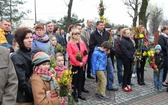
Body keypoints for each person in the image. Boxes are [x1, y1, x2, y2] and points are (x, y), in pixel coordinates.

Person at [89, 21, 118, 91]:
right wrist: (99, 49)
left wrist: (109, 49)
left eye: (103, 25)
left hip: (107, 56)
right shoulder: (93, 34)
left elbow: (109, 43)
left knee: (110, 70)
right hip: (99, 57)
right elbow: (91, 45)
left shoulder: (106, 33)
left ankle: (110, 85)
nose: (103, 26)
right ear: (97, 26)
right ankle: (100, 87)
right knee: (100, 71)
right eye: (101, 25)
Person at [11, 27, 34, 105]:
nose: (30, 40)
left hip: (34, 92)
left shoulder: (32, 53)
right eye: (26, 38)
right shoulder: (16, 56)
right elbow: (22, 81)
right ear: (20, 40)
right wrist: (35, 94)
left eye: (31, 37)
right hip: (24, 97)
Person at [67, 28, 88, 102]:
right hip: (74, 65)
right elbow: (70, 55)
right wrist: (78, 63)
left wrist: (83, 62)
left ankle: (79, 93)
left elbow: (85, 53)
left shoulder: (82, 42)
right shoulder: (70, 43)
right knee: (74, 80)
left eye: (78, 34)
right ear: (72, 35)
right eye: (76, 34)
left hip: (82, 64)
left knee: (80, 79)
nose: (77, 35)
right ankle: (74, 94)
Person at [74, 23, 89, 93]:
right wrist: (77, 62)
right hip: (75, 62)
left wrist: (83, 61)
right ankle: (75, 90)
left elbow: (86, 50)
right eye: (78, 29)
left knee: (82, 76)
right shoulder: (71, 39)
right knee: (75, 78)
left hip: (82, 62)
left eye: (80, 29)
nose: (79, 31)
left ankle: (81, 88)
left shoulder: (83, 39)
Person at [120, 28, 135, 92]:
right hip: (126, 59)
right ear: (124, 34)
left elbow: (132, 48)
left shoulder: (130, 40)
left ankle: (128, 83)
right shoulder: (122, 41)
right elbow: (125, 51)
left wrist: (135, 55)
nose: (129, 34)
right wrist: (131, 57)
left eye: (129, 33)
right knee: (126, 72)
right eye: (127, 33)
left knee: (130, 72)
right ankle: (124, 84)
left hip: (131, 58)